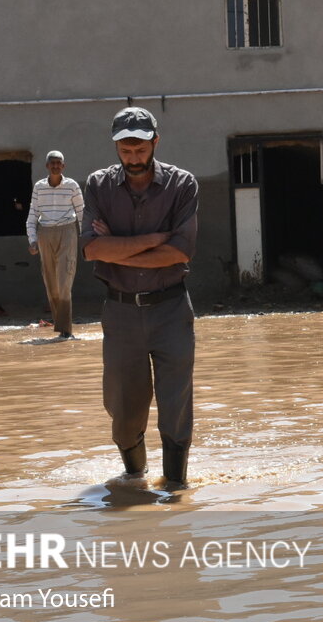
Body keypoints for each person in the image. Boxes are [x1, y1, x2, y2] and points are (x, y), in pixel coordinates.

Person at [82, 107, 198, 489]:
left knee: (175, 402)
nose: (134, 158)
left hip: (171, 308)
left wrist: (117, 244)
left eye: (141, 149)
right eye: (126, 150)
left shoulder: (182, 185)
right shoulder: (98, 185)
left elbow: (180, 252)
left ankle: (175, 486)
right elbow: (92, 250)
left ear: (155, 143)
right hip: (120, 312)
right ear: (116, 146)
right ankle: (134, 477)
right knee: (123, 406)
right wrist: (153, 239)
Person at [26, 150, 84, 338]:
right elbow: (32, 215)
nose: (56, 166)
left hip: (67, 230)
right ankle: (61, 328)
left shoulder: (72, 186)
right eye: (52, 163)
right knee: (50, 280)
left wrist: (86, 238)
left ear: (63, 166)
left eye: (59, 163)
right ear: (47, 166)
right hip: (45, 234)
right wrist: (32, 240)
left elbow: (82, 212)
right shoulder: (39, 187)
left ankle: (66, 330)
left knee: (65, 278)